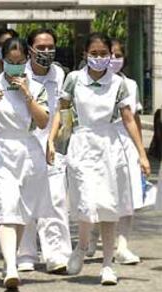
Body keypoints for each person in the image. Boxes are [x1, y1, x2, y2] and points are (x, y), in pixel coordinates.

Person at [47, 32, 150, 285]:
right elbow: (63, 111)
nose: (99, 58)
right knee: (85, 203)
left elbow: (128, 119)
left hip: (109, 147)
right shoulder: (73, 80)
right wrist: (51, 140)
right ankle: (81, 247)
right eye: (94, 53)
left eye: (104, 53)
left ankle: (107, 265)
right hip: (81, 145)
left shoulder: (119, 84)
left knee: (108, 205)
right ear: (85, 55)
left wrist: (141, 154)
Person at [0, 37, 51, 290]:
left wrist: (27, 94)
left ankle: (12, 262)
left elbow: (42, 122)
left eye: (20, 62)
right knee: (7, 208)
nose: (15, 67)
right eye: (10, 62)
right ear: (2, 61)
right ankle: (10, 267)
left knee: (21, 213)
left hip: (28, 152)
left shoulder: (37, 87)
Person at [17, 28, 72, 274]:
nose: (46, 52)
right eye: (41, 47)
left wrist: (52, 139)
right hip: (24, 144)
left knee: (56, 200)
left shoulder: (59, 73)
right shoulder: (18, 73)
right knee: (25, 201)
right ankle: (25, 254)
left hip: (50, 144)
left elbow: (59, 109)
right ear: (29, 49)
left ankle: (57, 255)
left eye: (50, 46)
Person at [89, 39, 144, 265]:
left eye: (118, 55)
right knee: (96, 194)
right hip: (98, 143)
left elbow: (134, 118)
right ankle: (91, 238)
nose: (113, 60)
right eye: (108, 55)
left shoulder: (130, 85)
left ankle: (122, 246)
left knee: (126, 196)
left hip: (125, 143)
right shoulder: (85, 82)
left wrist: (141, 151)